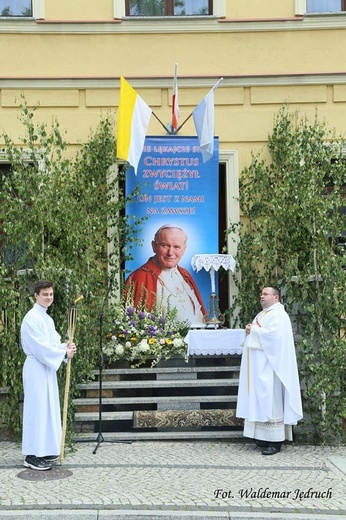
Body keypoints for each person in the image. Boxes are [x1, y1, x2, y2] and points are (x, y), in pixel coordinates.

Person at [236, 286, 303, 455]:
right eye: (261, 294)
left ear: (276, 298)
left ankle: (276, 441)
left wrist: (254, 330)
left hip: (272, 368)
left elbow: (276, 338)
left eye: (266, 294)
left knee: (272, 401)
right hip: (260, 366)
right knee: (261, 400)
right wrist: (251, 330)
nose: (262, 296)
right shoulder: (263, 314)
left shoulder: (279, 315)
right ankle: (263, 437)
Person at [21, 280, 77, 471]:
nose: (49, 298)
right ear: (36, 295)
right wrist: (62, 354)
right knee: (37, 410)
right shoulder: (31, 319)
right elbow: (40, 348)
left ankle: (44, 450)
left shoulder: (47, 318)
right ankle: (31, 455)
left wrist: (64, 347)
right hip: (36, 368)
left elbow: (52, 344)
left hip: (46, 368)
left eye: (51, 294)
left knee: (47, 409)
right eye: (45, 294)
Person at [125, 224, 207, 327]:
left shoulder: (185, 275)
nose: (170, 253)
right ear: (154, 246)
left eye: (176, 247)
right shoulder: (140, 277)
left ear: (184, 250)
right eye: (165, 246)